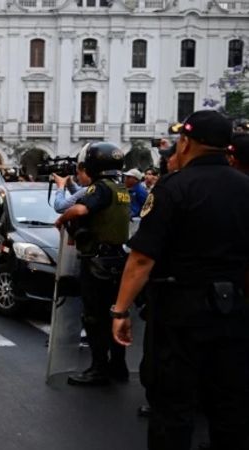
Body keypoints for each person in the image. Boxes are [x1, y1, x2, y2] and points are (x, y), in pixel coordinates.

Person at [111, 110, 249, 449]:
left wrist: (120, 310)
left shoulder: (174, 188)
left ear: (186, 143)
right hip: (235, 312)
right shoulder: (245, 187)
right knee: (230, 407)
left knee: (173, 408)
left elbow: (142, 258)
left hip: (180, 314)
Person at [54, 142, 131, 386]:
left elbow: (79, 210)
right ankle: (118, 366)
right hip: (117, 259)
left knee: (94, 317)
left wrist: (61, 219)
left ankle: (99, 369)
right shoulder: (120, 187)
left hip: (97, 262)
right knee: (113, 314)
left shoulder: (100, 188)